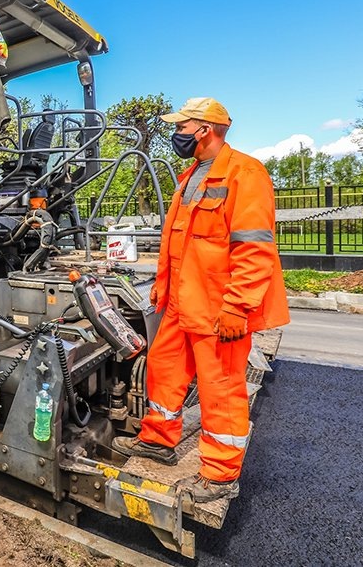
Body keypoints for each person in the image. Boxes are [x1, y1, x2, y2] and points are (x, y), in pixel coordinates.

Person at [111, 97, 290, 503]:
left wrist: (237, 307)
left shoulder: (245, 173)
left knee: (221, 388)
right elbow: (177, 239)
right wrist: (161, 285)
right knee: (164, 369)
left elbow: (253, 248)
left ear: (204, 130)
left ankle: (221, 474)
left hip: (218, 307)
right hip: (181, 300)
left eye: (182, 126)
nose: (177, 134)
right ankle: (158, 439)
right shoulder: (191, 174)